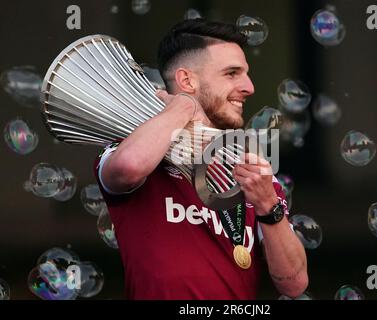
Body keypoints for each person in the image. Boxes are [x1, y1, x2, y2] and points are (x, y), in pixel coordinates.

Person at [94, 19, 308, 300]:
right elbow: (129, 166)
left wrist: (269, 206)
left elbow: (294, 284)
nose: (249, 87)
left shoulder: (254, 172)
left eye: (246, 74)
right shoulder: (131, 149)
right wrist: (184, 105)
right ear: (187, 81)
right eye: (232, 73)